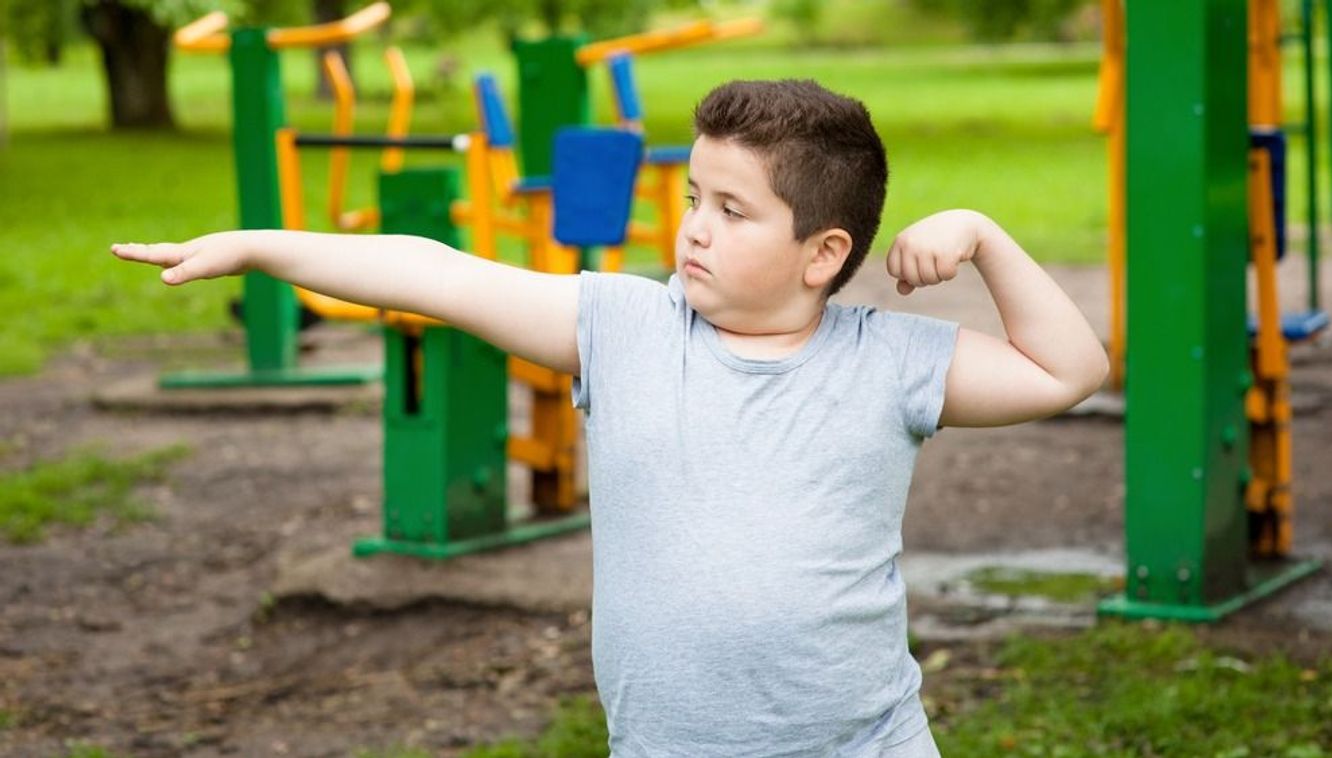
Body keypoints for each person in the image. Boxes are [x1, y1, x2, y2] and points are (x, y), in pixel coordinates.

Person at [112, 79, 1108, 757]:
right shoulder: (625, 327)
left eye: (732, 209)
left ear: (821, 252)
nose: (695, 228)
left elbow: (1066, 368)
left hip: (863, 742)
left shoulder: (888, 360)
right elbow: (436, 271)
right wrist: (257, 245)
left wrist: (981, 235)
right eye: (692, 197)